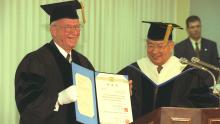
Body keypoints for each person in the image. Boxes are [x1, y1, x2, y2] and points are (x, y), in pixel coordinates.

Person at [118, 21, 219, 120]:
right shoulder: (133, 71)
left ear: (171, 46)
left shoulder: (187, 73)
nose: (154, 51)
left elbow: (203, 105)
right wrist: (123, 93)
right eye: (150, 46)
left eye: (160, 46)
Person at [15, 1, 94, 124]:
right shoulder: (35, 62)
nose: (74, 32)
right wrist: (58, 99)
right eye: (68, 27)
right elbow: (27, 107)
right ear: (53, 30)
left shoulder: (83, 62)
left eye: (77, 26)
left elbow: (95, 96)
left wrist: (119, 90)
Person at [174, 15, 219, 87]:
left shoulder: (211, 45)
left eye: (198, 26)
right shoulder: (179, 47)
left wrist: (209, 83)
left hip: (208, 87)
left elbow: (215, 67)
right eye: (192, 27)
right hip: (187, 89)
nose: (196, 29)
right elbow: (178, 70)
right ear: (187, 29)